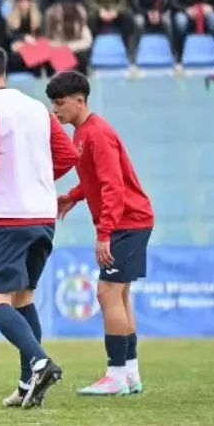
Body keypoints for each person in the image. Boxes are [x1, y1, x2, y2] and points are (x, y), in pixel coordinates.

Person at [0, 45, 78, 409]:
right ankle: (28, 384)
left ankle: (40, 362)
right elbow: (69, 155)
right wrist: (37, 178)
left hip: (7, 217)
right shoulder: (37, 107)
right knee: (23, 298)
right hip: (42, 215)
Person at [45, 71, 155, 397]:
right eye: (53, 103)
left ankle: (116, 374)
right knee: (119, 295)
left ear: (80, 101)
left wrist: (104, 232)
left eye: (60, 102)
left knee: (107, 293)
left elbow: (113, 186)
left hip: (128, 223)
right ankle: (130, 374)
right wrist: (73, 196)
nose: (56, 109)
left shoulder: (96, 134)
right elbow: (97, 178)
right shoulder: (82, 134)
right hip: (131, 221)